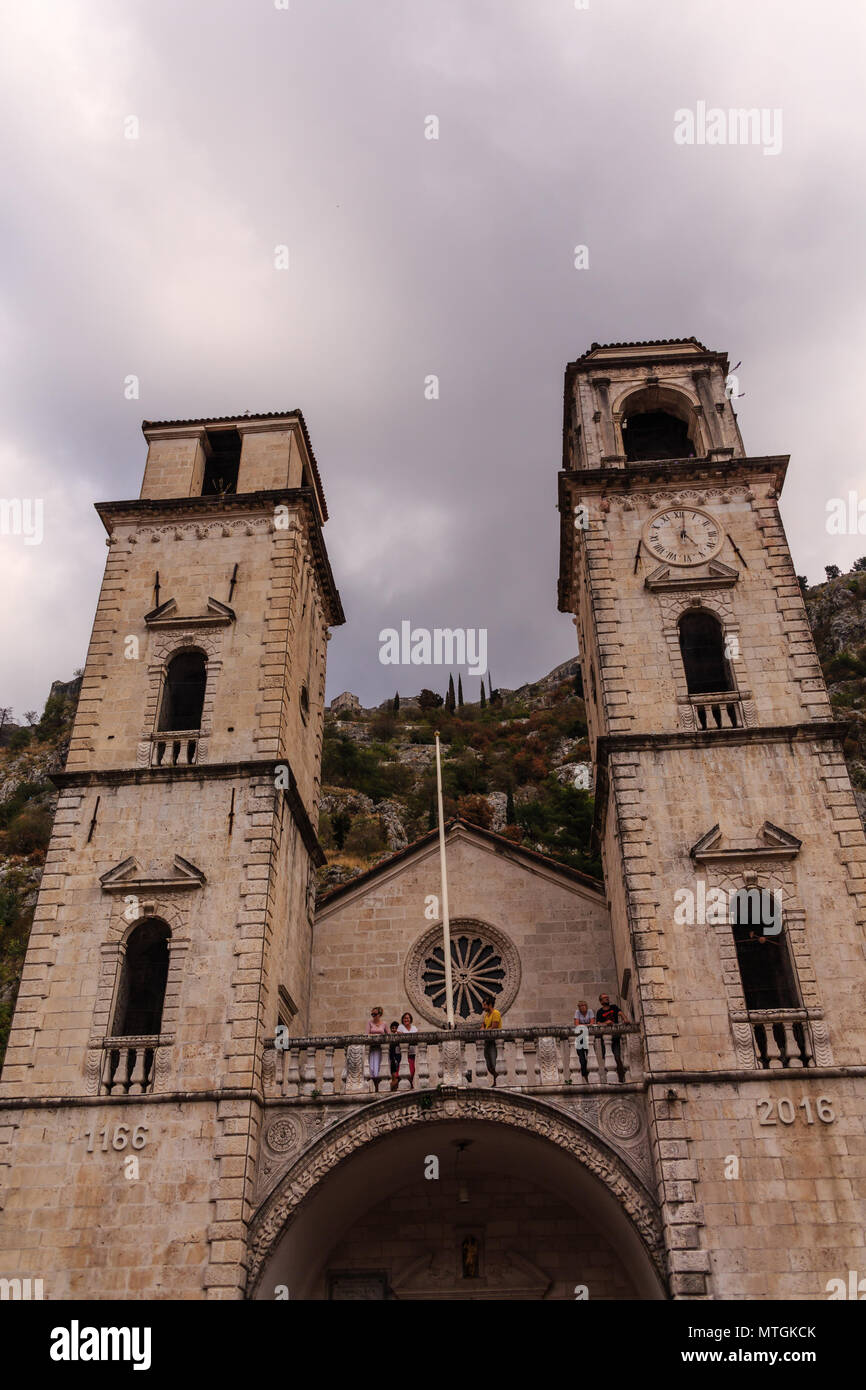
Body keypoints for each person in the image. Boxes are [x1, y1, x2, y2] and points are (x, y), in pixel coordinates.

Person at [596, 993, 629, 1083]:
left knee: (617, 1057)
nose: (607, 999)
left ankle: (621, 1078)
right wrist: (606, 1023)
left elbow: (620, 1013)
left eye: (607, 997)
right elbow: (598, 1024)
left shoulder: (614, 1007)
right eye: (604, 998)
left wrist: (625, 1019)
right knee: (608, 1058)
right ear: (601, 1001)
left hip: (615, 1037)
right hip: (605, 1038)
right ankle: (611, 1079)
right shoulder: (600, 1012)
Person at [481, 995, 501, 1086]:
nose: (483, 1007)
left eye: (485, 1005)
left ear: (490, 1005)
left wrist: (485, 1030)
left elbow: (494, 1027)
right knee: (488, 1065)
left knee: (494, 1062)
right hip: (487, 1041)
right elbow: (483, 1026)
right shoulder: (486, 1015)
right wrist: (483, 1030)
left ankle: (496, 1081)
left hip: (494, 1041)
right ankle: (496, 1078)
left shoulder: (496, 1013)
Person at [366, 1006, 387, 1091]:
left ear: (380, 1014)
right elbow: (366, 1035)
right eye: (372, 1014)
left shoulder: (384, 1024)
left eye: (374, 1014)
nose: (373, 1016)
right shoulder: (369, 1023)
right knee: (373, 1068)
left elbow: (389, 1035)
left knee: (380, 1068)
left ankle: (379, 1087)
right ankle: (376, 1087)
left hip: (381, 1050)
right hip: (373, 1049)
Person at [573, 998, 595, 1080]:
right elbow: (576, 1024)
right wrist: (587, 1025)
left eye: (584, 1005)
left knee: (590, 1056)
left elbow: (593, 1023)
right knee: (581, 1058)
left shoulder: (590, 1011)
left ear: (586, 1006)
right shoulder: (577, 1012)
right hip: (580, 1038)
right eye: (581, 1006)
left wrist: (583, 1025)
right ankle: (585, 1076)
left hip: (588, 1037)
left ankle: (591, 1076)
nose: (582, 1007)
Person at [397, 1011, 418, 1088]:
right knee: (403, 1070)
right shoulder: (400, 1027)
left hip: (412, 1052)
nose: (406, 1020)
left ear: (410, 1019)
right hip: (403, 1053)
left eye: (408, 1018)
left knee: (412, 1070)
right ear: (403, 1019)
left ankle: (410, 1084)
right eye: (405, 1018)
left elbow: (416, 1037)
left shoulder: (414, 1028)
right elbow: (399, 1035)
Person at [388, 1020, 402, 1091]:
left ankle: (390, 1087)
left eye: (395, 1028)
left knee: (398, 1077)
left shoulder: (399, 1037)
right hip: (392, 1059)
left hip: (399, 1058)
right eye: (392, 1028)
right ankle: (393, 1089)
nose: (394, 1029)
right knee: (394, 1076)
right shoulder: (389, 1038)